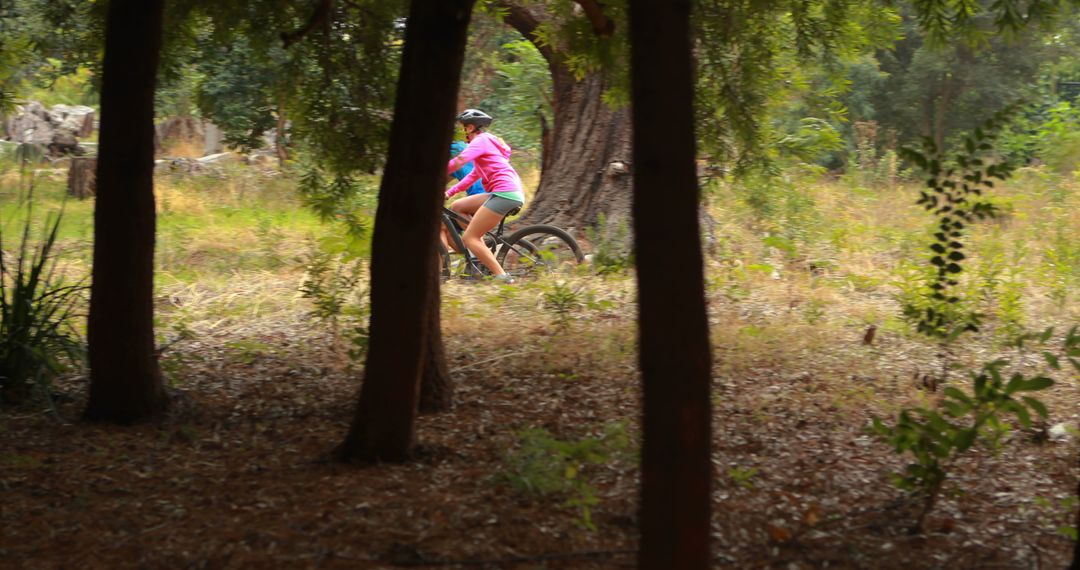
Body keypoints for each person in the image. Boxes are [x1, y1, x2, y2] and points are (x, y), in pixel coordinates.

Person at [445, 109, 525, 283]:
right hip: (502, 192)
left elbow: (459, 161)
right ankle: (479, 248)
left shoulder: (481, 140)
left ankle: (502, 276)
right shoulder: (486, 145)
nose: (462, 132)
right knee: (457, 207)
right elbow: (473, 175)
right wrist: (448, 193)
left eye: (464, 127)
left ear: (471, 127)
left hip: (505, 194)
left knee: (469, 238)